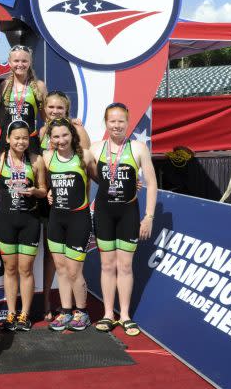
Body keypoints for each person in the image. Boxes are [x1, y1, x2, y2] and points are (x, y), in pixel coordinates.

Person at [90, 103, 157, 336]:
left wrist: (148, 216)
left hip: (129, 213)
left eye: (121, 121)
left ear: (128, 123)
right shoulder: (96, 148)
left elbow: (151, 183)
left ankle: (125, 314)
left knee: (125, 266)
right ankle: (108, 313)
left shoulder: (138, 148)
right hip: (104, 213)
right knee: (107, 265)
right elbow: (84, 172)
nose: (116, 125)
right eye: (112, 121)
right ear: (106, 123)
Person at [0, 120, 47, 331]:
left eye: (24, 138)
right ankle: (11, 312)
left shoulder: (36, 160)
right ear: (7, 139)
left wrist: (34, 192)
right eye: (17, 138)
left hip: (29, 221)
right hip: (5, 221)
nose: (21, 141)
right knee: (10, 268)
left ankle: (25, 314)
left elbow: (43, 189)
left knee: (26, 270)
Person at [36, 90, 89, 321]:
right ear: (44, 110)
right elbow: (45, 173)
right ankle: (58, 306)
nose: (55, 111)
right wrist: (47, 191)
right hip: (54, 208)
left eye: (60, 108)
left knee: (73, 266)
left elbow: (87, 172)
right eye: (51, 107)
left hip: (77, 210)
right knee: (56, 260)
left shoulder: (78, 133)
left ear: (67, 110)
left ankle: (80, 310)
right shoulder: (42, 136)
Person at [42, 117, 96, 332]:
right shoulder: (47, 157)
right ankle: (65, 311)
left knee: (74, 271)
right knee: (62, 270)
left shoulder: (85, 155)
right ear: (51, 139)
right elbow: (45, 182)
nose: (61, 140)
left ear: (72, 135)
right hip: (56, 219)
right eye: (56, 136)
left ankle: (82, 312)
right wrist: (47, 191)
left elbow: (100, 179)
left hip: (78, 219)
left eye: (65, 135)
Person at [0, 45, 48, 154]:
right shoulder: (4, 85)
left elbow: (47, 118)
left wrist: (69, 120)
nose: (20, 64)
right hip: (7, 141)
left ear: (30, 62)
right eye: (16, 61)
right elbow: (0, 118)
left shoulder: (39, 86)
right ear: (10, 63)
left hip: (30, 142)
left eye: (24, 61)